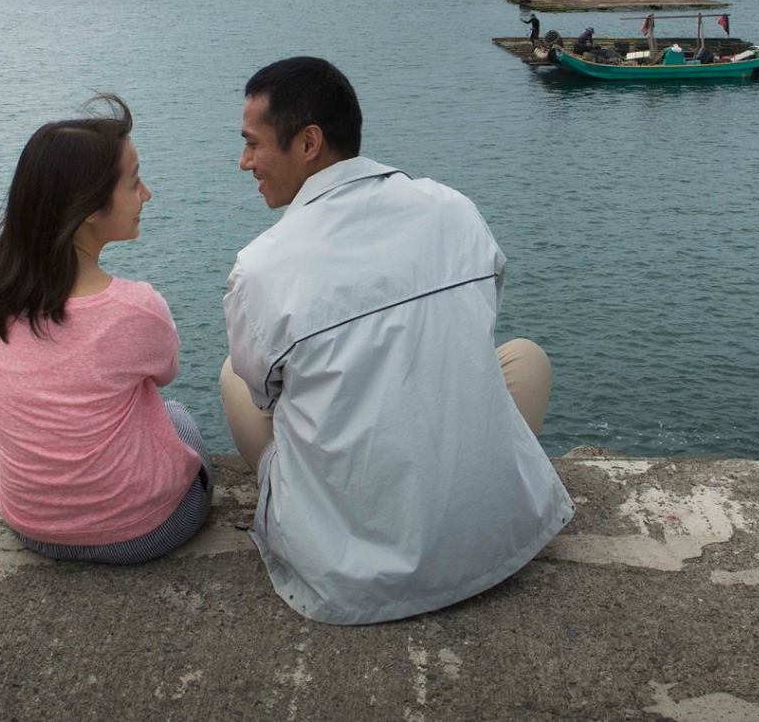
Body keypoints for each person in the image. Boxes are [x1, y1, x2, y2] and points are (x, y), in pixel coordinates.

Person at [221, 57, 573, 624]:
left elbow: (268, 399)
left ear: (308, 142)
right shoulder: (453, 209)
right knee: (524, 358)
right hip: (494, 545)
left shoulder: (262, 268)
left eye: (253, 144)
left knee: (232, 376)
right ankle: (469, 497)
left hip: (353, 576)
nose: (244, 162)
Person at [0, 97, 209, 563]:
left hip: (31, 527)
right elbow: (165, 375)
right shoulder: (136, 308)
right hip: (140, 533)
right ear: (89, 209)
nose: (147, 195)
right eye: (135, 182)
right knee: (177, 415)